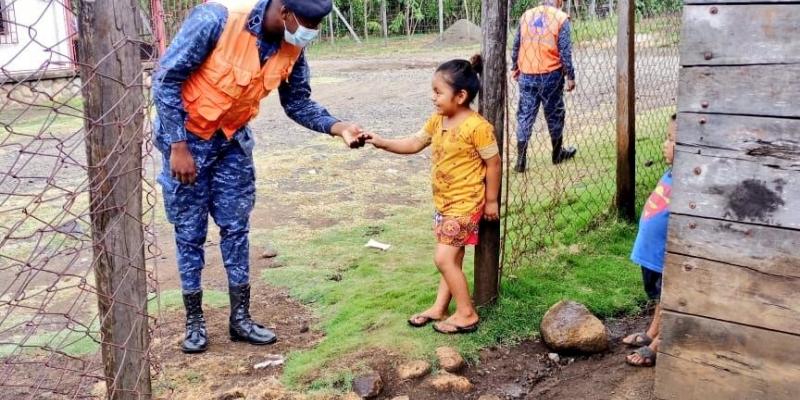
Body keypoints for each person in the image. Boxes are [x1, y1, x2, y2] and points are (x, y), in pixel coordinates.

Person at [152, 0, 368, 354]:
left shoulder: (292, 45)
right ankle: (194, 322)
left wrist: (336, 126)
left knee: (236, 229)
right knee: (189, 232)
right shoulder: (218, 20)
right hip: (187, 143)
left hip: (231, 142)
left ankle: (241, 318)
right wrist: (177, 145)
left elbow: (297, 102)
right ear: (284, 11)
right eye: (307, 22)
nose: (310, 31)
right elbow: (166, 79)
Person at [365, 56, 501, 334]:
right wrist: (381, 142)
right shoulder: (438, 121)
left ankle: (466, 314)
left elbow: (494, 163)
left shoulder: (478, 127)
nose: (433, 98)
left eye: (438, 92)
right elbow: (414, 142)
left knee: (443, 259)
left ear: (461, 96)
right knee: (452, 258)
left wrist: (491, 200)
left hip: (465, 204)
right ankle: (440, 307)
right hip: (444, 202)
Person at [623, 113, 676, 367]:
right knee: (659, 297)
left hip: (664, 256)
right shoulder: (670, 172)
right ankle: (652, 331)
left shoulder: (688, 181)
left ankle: (659, 344)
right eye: (667, 138)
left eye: (672, 140)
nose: (665, 145)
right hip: (651, 254)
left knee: (670, 298)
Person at [511, 0, 577, 172]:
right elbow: (565, 51)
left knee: (525, 115)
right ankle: (557, 154)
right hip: (551, 75)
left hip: (527, 73)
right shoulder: (561, 18)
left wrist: (514, 67)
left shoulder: (526, 16)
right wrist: (570, 76)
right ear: (559, 2)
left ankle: (521, 160)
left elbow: (516, 45)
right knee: (555, 114)